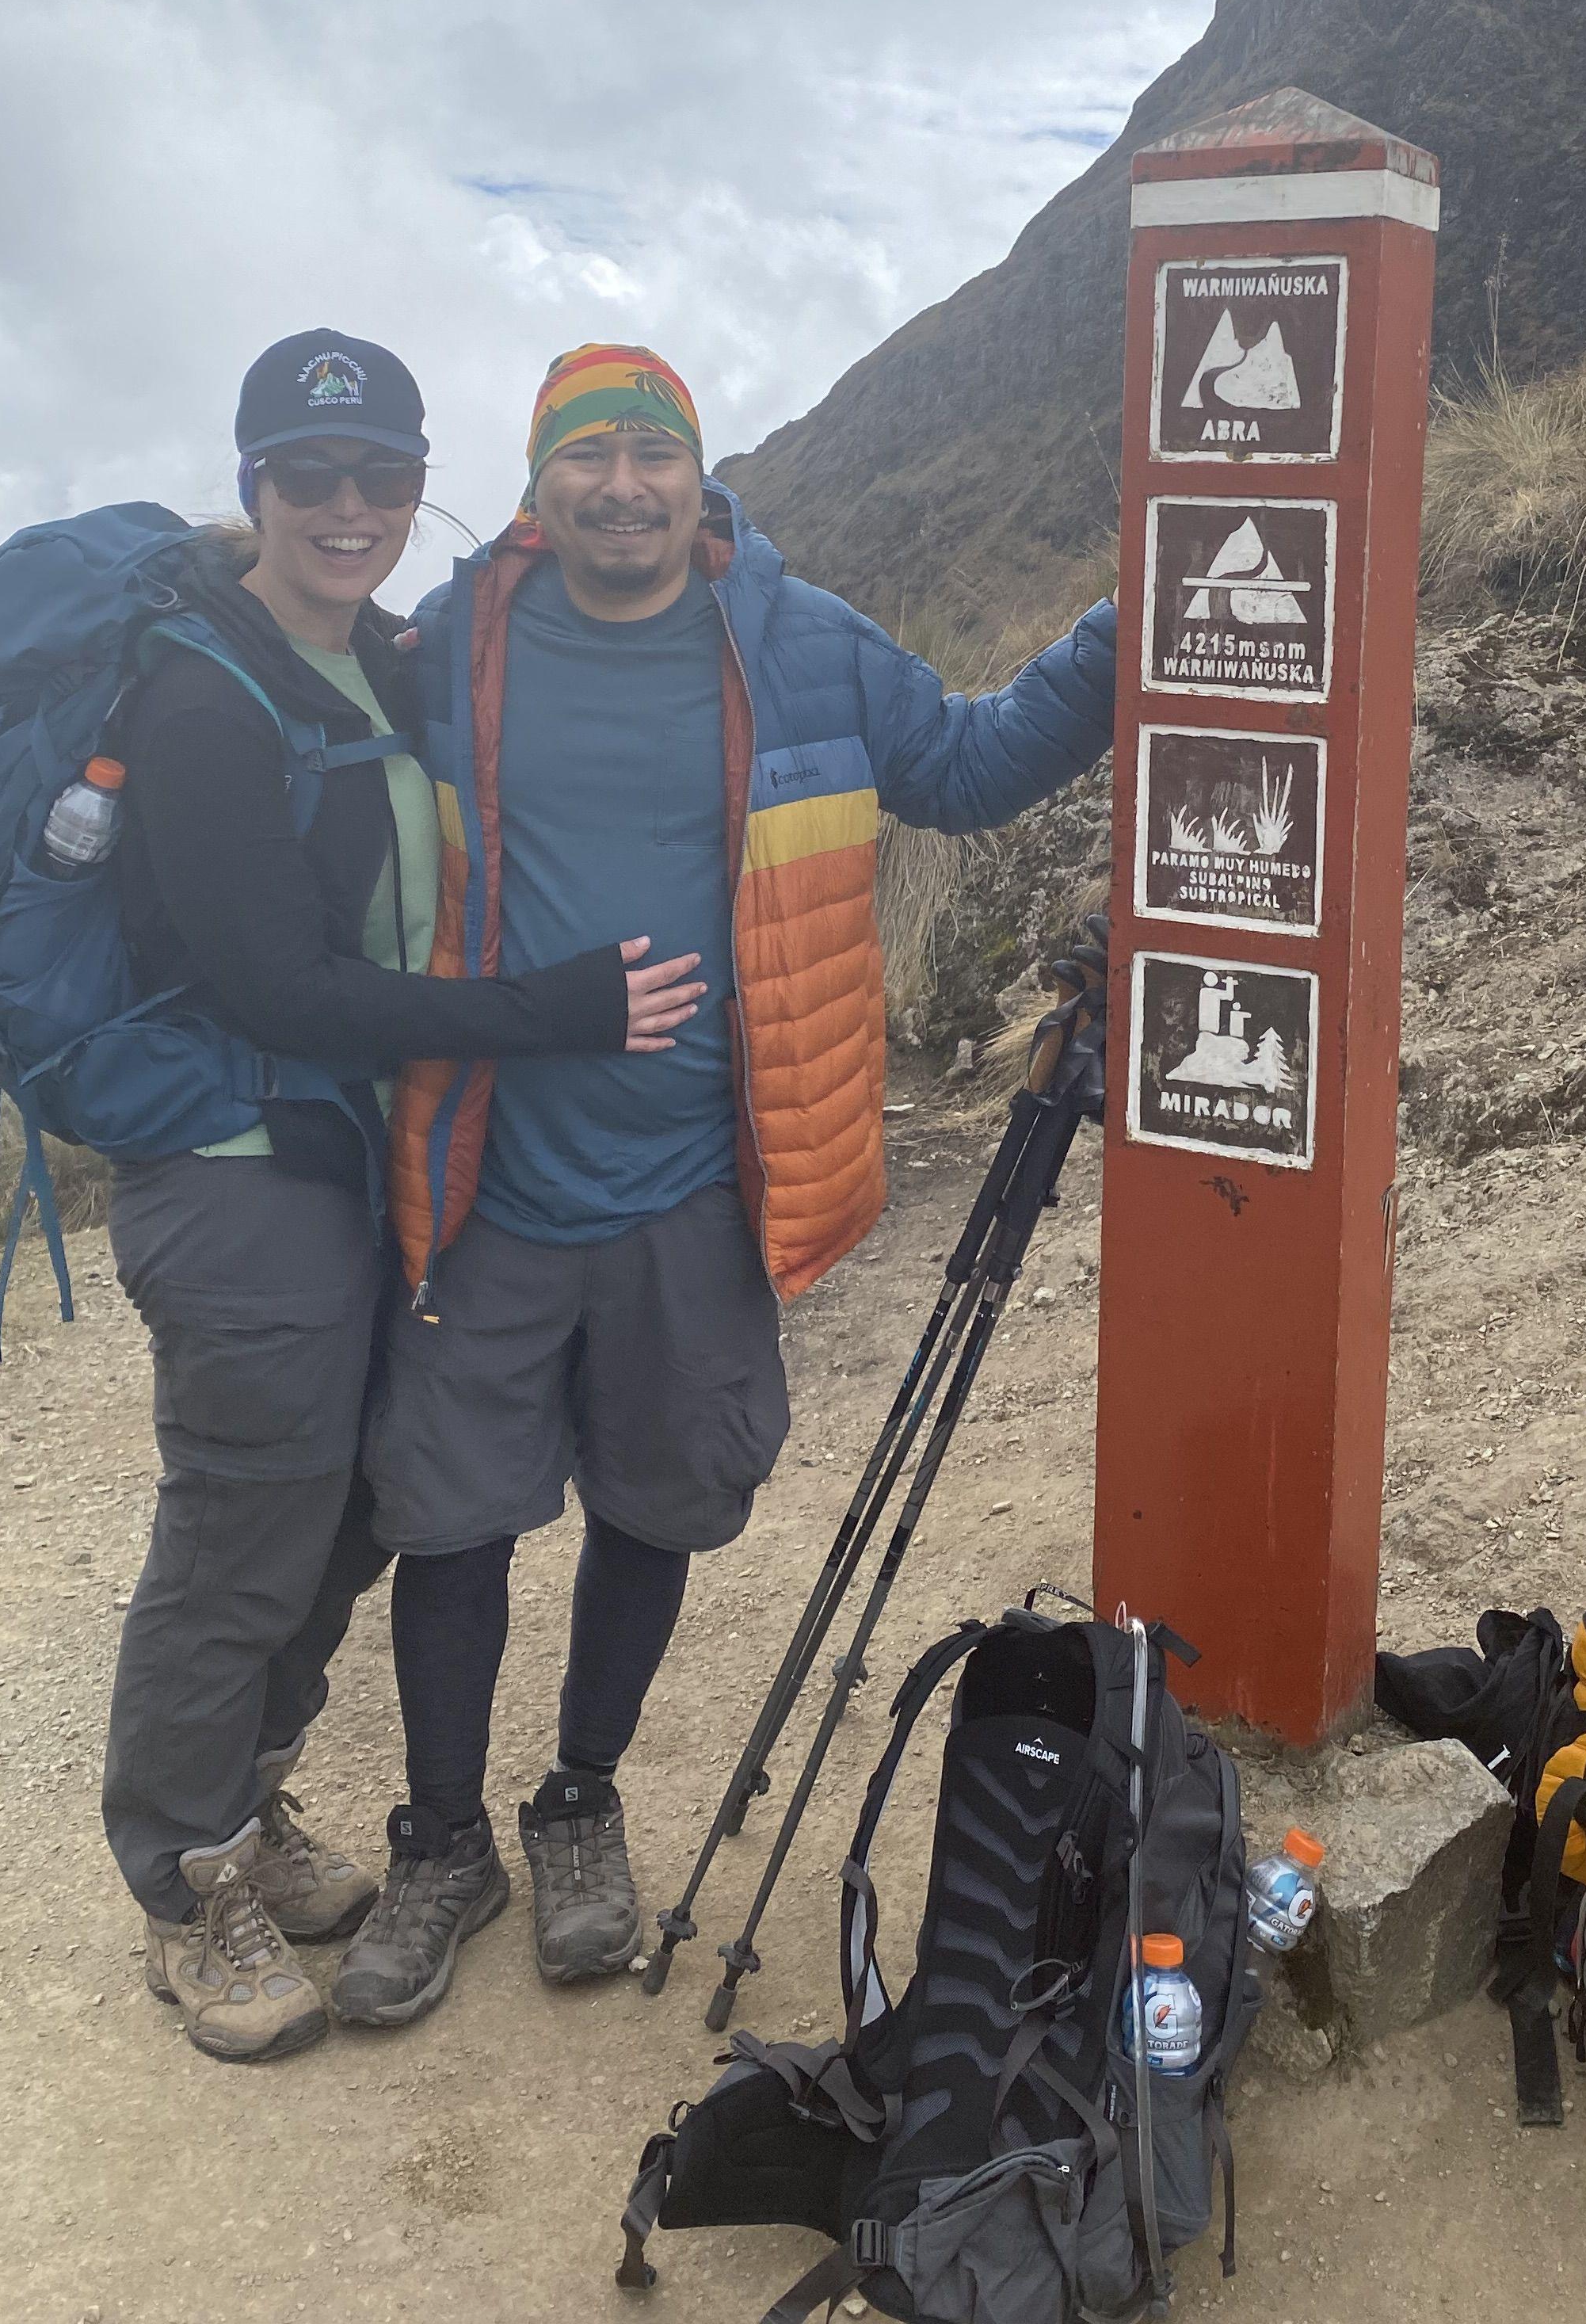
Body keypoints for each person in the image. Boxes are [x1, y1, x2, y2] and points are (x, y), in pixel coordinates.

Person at [329, 339, 1115, 2029]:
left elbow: (968, 766)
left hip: (702, 1180)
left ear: (699, 473)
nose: (622, 485)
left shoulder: (799, 639)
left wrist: (1145, 625)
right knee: (451, 1518)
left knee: (659, 1501)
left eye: (650, 454)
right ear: (539, 487)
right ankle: (443, 1838)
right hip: (489, 1175)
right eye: (586, 457)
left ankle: (580, 1799)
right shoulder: (456, 638)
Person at [100, 327, 707, 2063]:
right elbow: (280, 987)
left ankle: (251, 1817)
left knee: (349, 1513)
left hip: (359, 1172)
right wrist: (553, 1018)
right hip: (235, 1179)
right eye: (311, 478)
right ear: (253, 487)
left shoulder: (373, 657)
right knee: (241, 1533)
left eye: (381, 476)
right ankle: (182, 1885)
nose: (350, 506)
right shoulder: (203, 696)